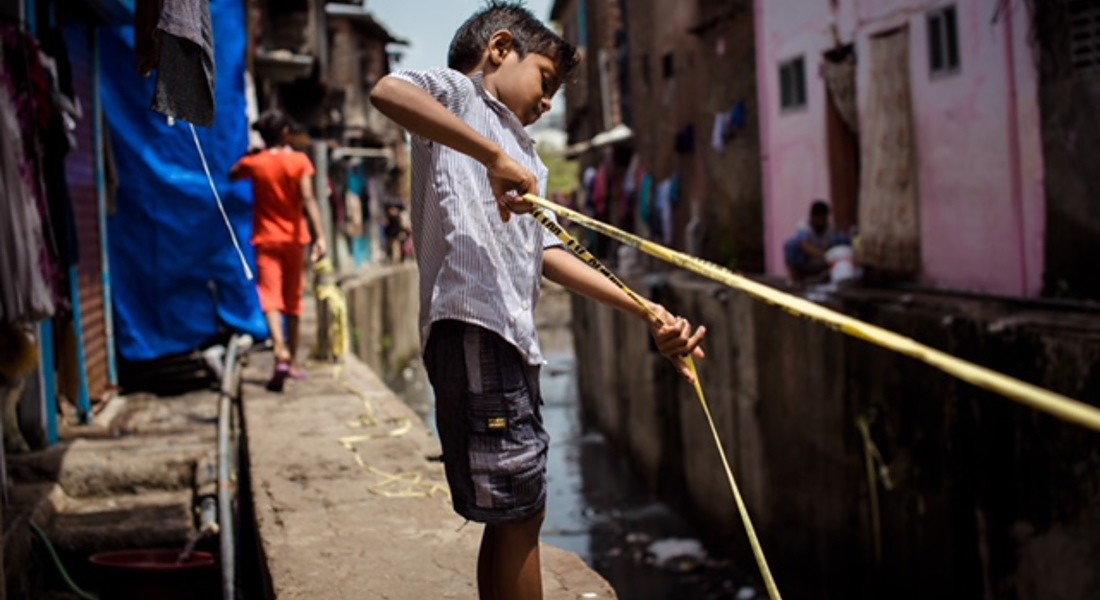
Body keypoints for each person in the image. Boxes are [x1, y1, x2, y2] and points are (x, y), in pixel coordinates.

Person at [369, 3, 706, 599]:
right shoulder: (458, 96)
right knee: (520, 511)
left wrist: (645, 311)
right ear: (500, 50)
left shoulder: (528, 158)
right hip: (475, 328)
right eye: (546, 81)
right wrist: (492, 156)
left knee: (515, 510)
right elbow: (388, 90)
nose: (549, 103)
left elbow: (546, 254)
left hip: (507, 338)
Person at [230, 110, 327, 391]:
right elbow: (308, 198)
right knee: (293, 301)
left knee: (271, 299)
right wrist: (320, 236)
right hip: (297, 240)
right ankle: (293, 362)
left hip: (266, 240)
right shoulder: (298, 161)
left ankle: (280, 352)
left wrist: (253, 153)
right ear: (285, 132)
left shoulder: (256, 163)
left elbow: (233, 174)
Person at [784, 199, 849, 283]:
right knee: (792, 244)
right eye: (819, 218)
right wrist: (826, 256)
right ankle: (795, 278)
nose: (821, 221)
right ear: (813, 217)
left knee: (842, 239)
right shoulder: (805, 227)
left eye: (824, 218)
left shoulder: (829, 230)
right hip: (807, 263)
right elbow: (805, 245)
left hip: (822, 264)